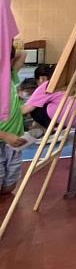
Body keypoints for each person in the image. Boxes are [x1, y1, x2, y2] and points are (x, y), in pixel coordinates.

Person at [23, 64, 76, 130]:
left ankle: (54, 129)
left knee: (36, 110)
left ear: (42, 78)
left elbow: (26, 110)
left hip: (71, 119)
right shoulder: (74, 81)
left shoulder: (47, 85)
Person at [1, 45, 25, 196]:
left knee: (9, 187)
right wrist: (5, 136)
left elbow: (22, 54)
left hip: (14, 141)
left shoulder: (9, 76)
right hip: (5, 139)